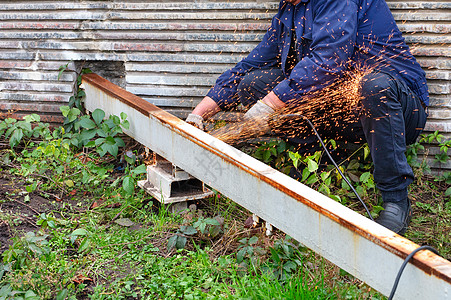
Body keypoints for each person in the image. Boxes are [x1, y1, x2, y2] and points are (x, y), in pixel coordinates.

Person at [185, 0, 428, 235]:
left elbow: (328, 61)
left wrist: (267, 106)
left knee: (374, 86)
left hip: (394, 106)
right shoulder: (289, 9)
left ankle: (396, 200)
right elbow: (250, 65)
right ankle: (313, 162)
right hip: (341, 105)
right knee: (254, 84)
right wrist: (199, 114)